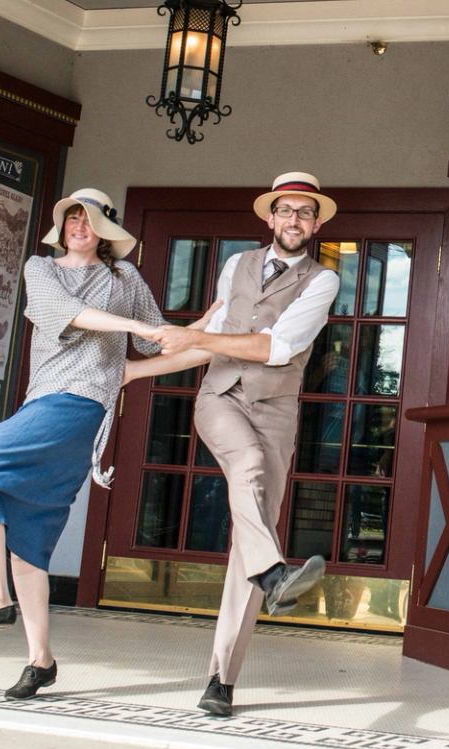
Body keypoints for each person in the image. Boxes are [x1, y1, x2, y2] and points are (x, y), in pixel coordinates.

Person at [0, 188, 166, 702]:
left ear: (105, 228)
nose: (80, 225)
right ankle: (41, 660)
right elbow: (71, 314)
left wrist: (212, 336)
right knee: (26, 537)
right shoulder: (42, 268)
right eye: (73, 217)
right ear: (64, 226)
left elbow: (156, 342)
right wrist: (136, 330)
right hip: (44, 403)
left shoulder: (126, 278)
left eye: (90, 218)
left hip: (77, 407)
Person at [135, 172, 342, 719]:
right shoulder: (237, 266)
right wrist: (137, 371)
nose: (294, 219)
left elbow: (277, 348)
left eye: (304, 212)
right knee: (246, 467)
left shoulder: (323, 281)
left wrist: (198, 335)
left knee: (252, 542)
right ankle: (276, 576)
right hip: (221, 399)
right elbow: (208, 337)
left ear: (316, 224)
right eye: (285, 210)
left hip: (275, 412)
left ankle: (221, 679)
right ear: (269, 217)